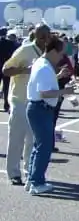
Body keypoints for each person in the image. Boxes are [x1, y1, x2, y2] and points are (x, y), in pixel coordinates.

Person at [25, 36, 75, 194]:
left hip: (37, 108)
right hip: (41, 108)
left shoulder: (41, 63)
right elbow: (45, 92)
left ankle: (32, 179)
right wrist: (65, 91)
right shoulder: (45, 67)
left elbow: (44, 85)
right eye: (60, 54)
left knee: (38, 146)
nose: (61, 57)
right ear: (53, 51)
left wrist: (58, 76)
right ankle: (37, 183)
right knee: (44, 147)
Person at [4, 24, 51, 186]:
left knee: (33, 140)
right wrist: (25, 69)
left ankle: (29, 171)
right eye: (41, 36)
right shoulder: (25, 50)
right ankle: (13, 172)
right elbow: (6, 69)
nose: (45, 40)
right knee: (17, 137)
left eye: (47, 36)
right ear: (35, 36)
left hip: (36, 102)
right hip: (19, 100)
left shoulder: (48, 53)